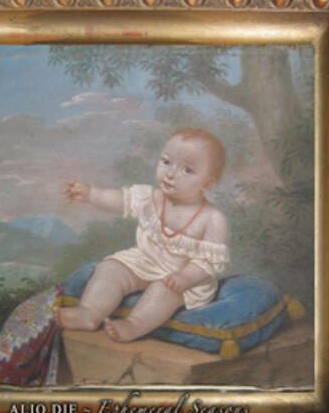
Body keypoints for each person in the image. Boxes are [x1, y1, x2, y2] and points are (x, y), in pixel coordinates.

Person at [56, 127, 230, 342]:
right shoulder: (150, 198)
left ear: (208, 184)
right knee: (111, 268)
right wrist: (91, 194)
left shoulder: (213, 218)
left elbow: (207, 262)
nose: (170, 173)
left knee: (164, 291)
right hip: (146, 260)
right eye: (166, 162)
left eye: (186, 170)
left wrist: (185, 277)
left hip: (185, 277)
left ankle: (133, 325)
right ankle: (89, 313)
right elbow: (119, 200)